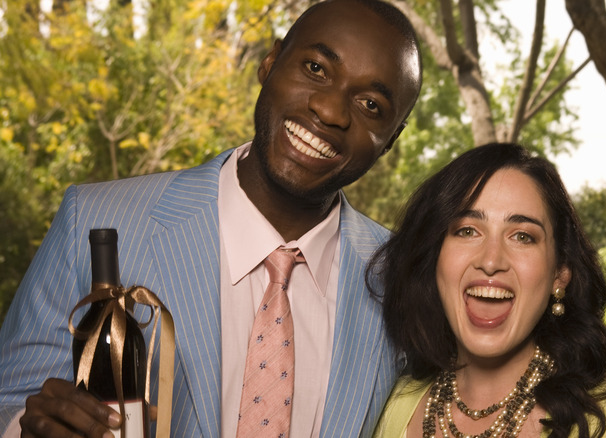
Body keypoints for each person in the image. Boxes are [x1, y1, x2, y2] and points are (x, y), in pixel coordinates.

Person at [0, 0, 422, 436]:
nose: (331, 111)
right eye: (315, 68)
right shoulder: (92, 220)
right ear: (270, 63)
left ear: (391, 139)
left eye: (371, 104)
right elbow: (11, 401)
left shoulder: (406, 280)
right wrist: (28, 429)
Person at [369, 143, 606, 437]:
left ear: (559, 275)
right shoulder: (388, 409)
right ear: (433, 260)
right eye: (467, 230)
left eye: (523, 236)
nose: (491, 261)